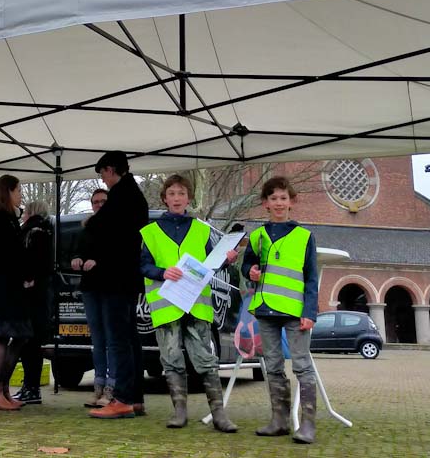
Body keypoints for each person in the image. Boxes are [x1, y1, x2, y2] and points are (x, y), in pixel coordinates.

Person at [139, 174, 238, 432]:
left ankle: (219, 415)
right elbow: (142, 265)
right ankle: (179, 412)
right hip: (167, 306)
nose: (176, 198)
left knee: (205, 360)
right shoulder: (149, 233)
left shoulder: (202, 229)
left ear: (188, 198)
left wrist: (227, 259)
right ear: (164, 198)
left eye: (181, 193)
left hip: (196, 305)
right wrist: (162, 272)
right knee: (171, 360)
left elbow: (212, 264)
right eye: (171, 193)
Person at [241, 176, 319, 444]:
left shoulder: (304, 237)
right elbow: (246, 267)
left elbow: (311, 278)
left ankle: (308, 425)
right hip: (265, 310)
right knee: (272, 367)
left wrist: (310, 313)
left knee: (302, 366)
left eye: (283, 198)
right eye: (273, 198)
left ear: (291, 202)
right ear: (265, 203)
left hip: (295, 313)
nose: (278, 203)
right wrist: (248, 271)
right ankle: (279, 421)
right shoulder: (257, 236)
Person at [86, 151, 149, 419]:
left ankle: (122, 397)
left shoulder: (123, 196)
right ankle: (134, 397)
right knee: (130, 337)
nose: (103, 179)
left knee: (119, 339)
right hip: (126, 277)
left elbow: (102, 229)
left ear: (111, 170)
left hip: (115, 277)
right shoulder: (133, 195)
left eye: (102, 174)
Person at [0, 174, 31, 411]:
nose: (20, 194)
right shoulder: (0, 220)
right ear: (7, 192)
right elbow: (7, 255)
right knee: (2, 336)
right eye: (18, 190)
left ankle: (2, 389)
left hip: (6, 287)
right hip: (4, 288)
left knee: (18, 336)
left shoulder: (3, 219)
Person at [71, 188, 115, 408]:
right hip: (90, 288)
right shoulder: (85, 229)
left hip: (110, 287)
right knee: (97, 340)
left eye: (103, 201)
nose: (99, 204)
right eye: (95, 201)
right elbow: (77, 251)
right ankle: (98, 386)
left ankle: (112, 387)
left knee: (111, 338)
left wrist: (99, 262)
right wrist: (77, 259)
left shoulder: (117, 227)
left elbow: (119, 256)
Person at [12, 200, 54, 405]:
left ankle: (32, 387)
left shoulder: (34, 233)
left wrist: (27, 279)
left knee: (30, 344)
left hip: (32, 296)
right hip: (38, 296)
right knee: (31, 344)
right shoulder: (44, 231)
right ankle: (29, 386)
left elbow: (33, 262)